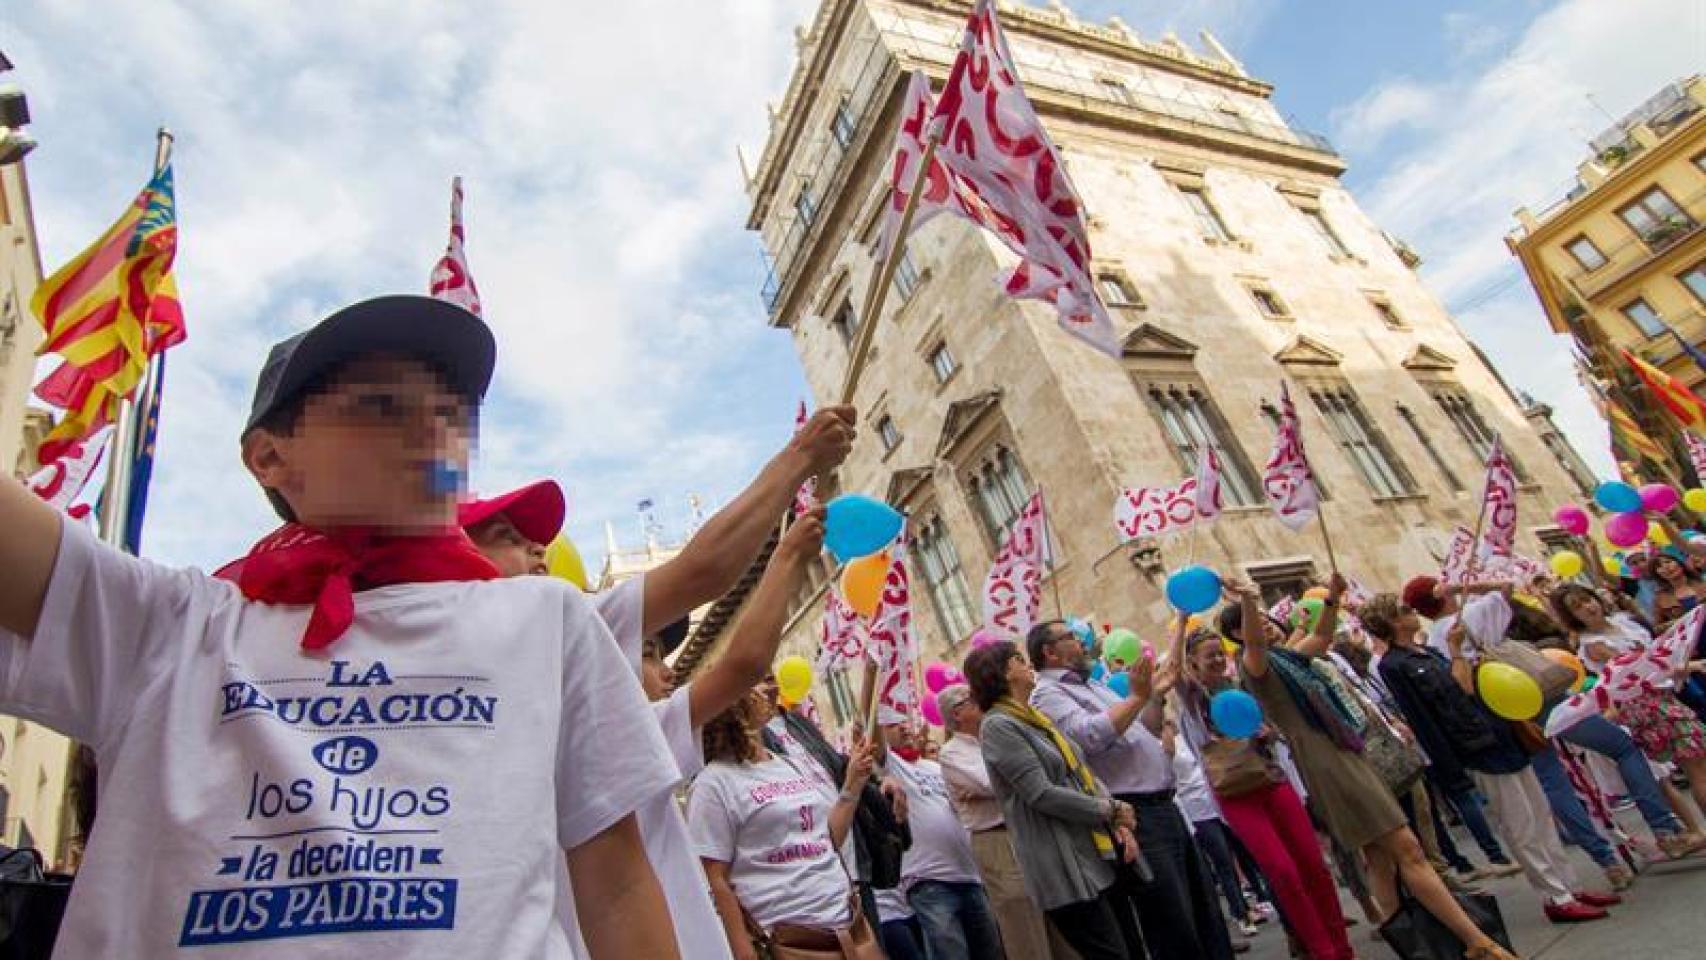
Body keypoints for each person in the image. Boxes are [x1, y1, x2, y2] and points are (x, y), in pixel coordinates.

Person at [0, 296, 682, 956]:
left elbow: (617, 886)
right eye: (382, 406)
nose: (433, 431)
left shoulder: (545, 619)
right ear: (270, 458)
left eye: (450, 413)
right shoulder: (172, 628)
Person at [1224, 575, 1517, 960]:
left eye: (1265, 616)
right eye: (1254, 621)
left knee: (1379, 858)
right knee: (1408, 849)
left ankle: (1416, 947)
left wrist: (1332, 597)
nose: (1264, 623)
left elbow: (1321, 637)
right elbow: (1256, 645)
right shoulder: (1255, 667)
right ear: (1239, 634)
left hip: (1345, 753)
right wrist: (1247, 599)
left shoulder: (1289, 659)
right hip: (1327, 762)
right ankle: (1476, 941)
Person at [1371, 590, 1614, 923]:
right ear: (1390, 621)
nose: (1412, 611)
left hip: (1497, 730)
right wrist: (1450, 767)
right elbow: (1427, 715)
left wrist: (1460, 654)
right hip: (1473, 746)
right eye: (1403, 610)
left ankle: (1570, 885)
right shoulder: (1395, 665)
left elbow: (1466, 688)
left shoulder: (1428, 652)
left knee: (1539, 813)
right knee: (1519, 823)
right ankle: (1554, 895)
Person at [1029, 619, 1236, 960]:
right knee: (1173, 921)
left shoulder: (1094, 685)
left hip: (1165, 805)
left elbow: (1146, 728)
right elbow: (1088, 736)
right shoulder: (1048, 695)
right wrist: (1138, 697)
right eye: (1071, 637)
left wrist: (1153, 697)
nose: (1082, 641)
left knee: (1205, 912)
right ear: (1050, 653)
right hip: (1135, 813)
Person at [1169, 621, 1352, 960]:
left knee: (1314, 864)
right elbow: (1172, 670)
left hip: (1271, 779)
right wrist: (1181, 619)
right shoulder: (1194, 699)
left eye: (1220, 653)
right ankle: (1323, 951)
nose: (1218, 660)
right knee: (1284, 873)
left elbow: (1274, 726)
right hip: (1235, 794)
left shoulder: (1242, 685)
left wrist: (1268, 732)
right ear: (1193, 662)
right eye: (1209, 656)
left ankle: (1343, 948)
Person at [964, 641, 1144, 960]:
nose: (1028, 665)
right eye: (1018, 659)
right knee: (1109, 952)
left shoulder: (1034, 717)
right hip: (1061, 863)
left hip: (1088, 850)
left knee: (1129, 944)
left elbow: (1079, 771)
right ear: (1003, 673)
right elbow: (1040, 793)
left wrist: (1115, 818)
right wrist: (1108, 809)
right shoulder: (998, 726)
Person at [688, 693, 882, 959]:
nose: (765, 692)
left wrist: (852, 785)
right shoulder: (712, 784)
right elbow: (714, 877)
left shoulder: (790, 764)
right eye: (752, 687)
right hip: (790, 942)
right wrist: (743, 950)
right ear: (737, 710)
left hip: (850, 930)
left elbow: (825, 841)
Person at [935, 683, 1071, 960]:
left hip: (1030, 829)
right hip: (997, 839)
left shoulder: (997, 735)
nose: (981, 700)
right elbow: (996, 781)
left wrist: (1008, 783)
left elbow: (1033, 774)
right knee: (1023, 925)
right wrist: (1018, 778)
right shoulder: (952, 752)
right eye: (971, 698)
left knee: (1061, 921)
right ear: (956, 714)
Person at [1550, 583, 1706, 820]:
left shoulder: (1624, 622)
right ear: (1571, 616)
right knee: (1696, 767)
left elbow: (1656, 653)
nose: (1587, 607)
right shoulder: (1593, 644)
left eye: (1587, 599)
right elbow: (1639, 668)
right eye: (1577, 606)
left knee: (1698, 763)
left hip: (1664, 696)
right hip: (1645, 705)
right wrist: (1689, 665)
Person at [876, 717, 1005, 960]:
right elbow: (872, 739)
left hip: (969, 876)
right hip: (928, 882)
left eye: (905, 721)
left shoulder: (935, 767)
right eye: (892, 724)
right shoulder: (890, 769)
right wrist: (871, 692)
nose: (904, 727)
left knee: (990, 952)